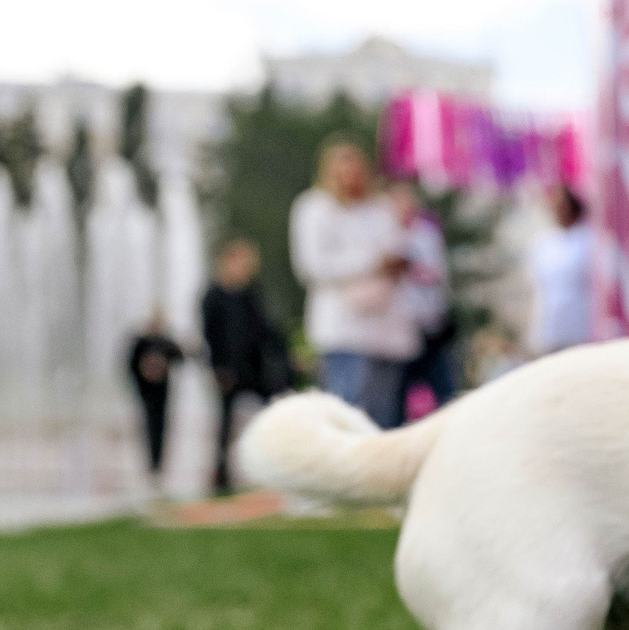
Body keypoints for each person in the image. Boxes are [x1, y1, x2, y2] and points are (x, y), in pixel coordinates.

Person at [290, 136, 417, 425]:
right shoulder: (315, 207)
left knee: (385, 416)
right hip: (344, 328)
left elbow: (398, 247)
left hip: (386, 328)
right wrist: (372, 261)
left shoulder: (381, 207)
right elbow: (312, 265)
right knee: (348, 414)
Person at [201, 238, 291, 493]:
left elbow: (267, 330)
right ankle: (221, 473)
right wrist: (218, 367)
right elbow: (211, 335)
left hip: (255, 367)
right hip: (228, 369)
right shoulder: (213, 296)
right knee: (225, 423)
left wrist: (285, 356)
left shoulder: (251, 295)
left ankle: (276, 465)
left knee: (272, 411)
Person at [387, 180, 459, 423]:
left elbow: (437, 273)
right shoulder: (387, 235)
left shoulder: (426, 234)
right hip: (399, 328)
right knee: (397, 393)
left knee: (443, 386)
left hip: (430, 324)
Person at [527, 186, 596, 355]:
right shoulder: (543, 243)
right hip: (551, 325)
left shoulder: (589, 239)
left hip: (581, 324)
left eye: (563, 205)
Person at [125, 314, 183, 484]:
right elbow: (131, 366)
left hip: (162, 392)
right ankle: (151, 464)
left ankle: (158, 464)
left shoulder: (166, 342)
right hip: (146, 392)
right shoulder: (140, 342)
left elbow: (179, 357)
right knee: (148, 427)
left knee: (161, 427)